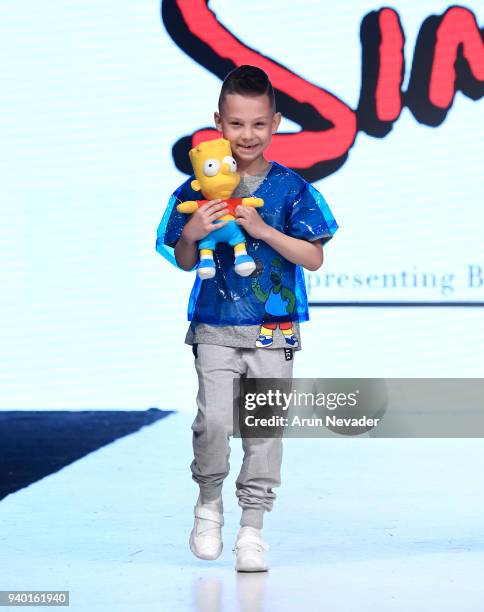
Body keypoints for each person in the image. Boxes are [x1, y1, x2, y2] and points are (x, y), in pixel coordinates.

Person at [156, 65, 338, 572]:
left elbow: (314, 257)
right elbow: (185, 258)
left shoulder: (292, 188)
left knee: (263, 430)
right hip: (215, 325)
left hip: (273, 328)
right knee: (214, 421)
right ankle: (209, 504)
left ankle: (253, 528)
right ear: (219, 123)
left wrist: (260, 227)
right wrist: (192, 230)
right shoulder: (194, 189)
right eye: (237, 124)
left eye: (258, 124)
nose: (248, 135)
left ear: (276, 123)